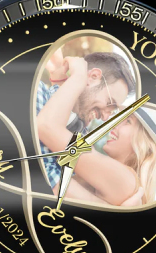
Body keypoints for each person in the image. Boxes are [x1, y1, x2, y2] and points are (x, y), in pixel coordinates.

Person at [37, 56, 156, 206]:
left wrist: (79, 77)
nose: (112, 124)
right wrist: (60, 79)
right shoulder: (112, 177)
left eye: (128, 121)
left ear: (143, 142)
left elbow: (47, 127)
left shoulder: (125, 180)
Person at [36, 45, 135, 190]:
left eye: (112, 111)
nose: (105, 117)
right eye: (110, 103)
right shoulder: (36, 95)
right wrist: (76, 78)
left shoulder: (79, 134)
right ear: (93, 77)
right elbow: (40, 175)